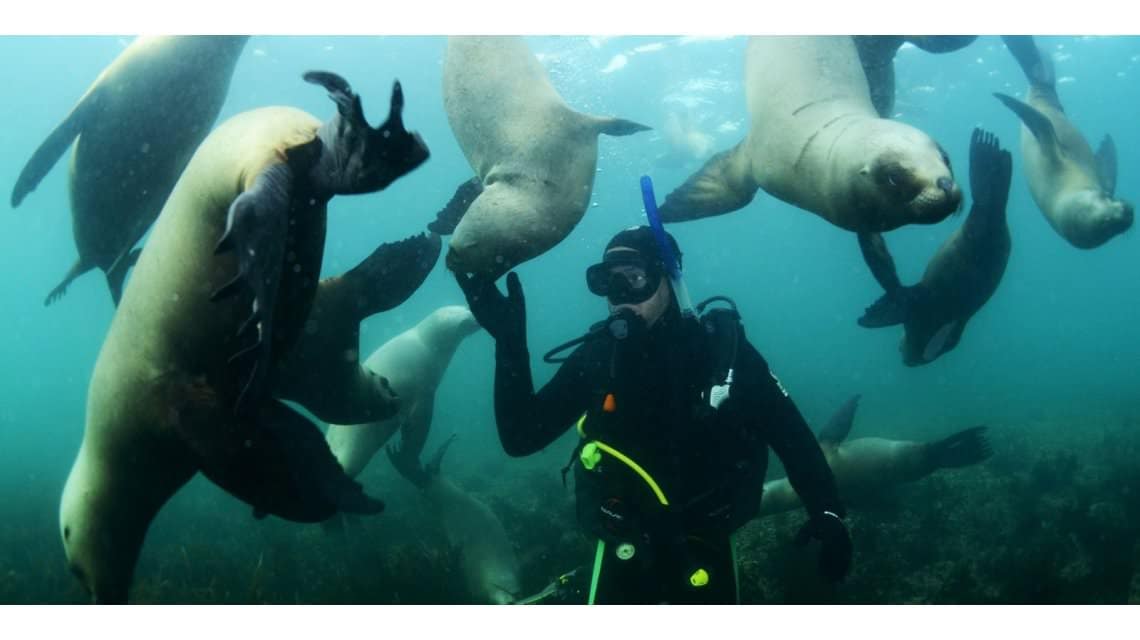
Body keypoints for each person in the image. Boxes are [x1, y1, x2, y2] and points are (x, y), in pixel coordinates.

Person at [455, 225, 852, 604]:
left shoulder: (722, 354)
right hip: (623, 541)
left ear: (669, 279)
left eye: (634, 276)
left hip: (704, 540)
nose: (620, 293)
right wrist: (509, 342)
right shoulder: (599, 357)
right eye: (609, 281)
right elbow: (521, 438)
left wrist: (828, 512)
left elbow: (793, 438)